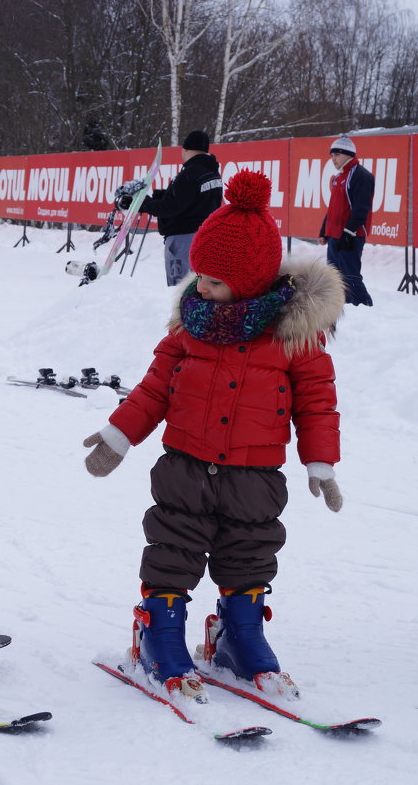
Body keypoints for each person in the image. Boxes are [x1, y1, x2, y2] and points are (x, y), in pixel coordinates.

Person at [82, 170, 345, 702]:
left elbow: (318, 404)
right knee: (172, 548)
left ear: (249, 281)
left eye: (214, 280)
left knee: (250, 551)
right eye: (199, 274)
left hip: (256, 474)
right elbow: (155, 388)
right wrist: (118, 434)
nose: (199, 286)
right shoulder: (190, 325)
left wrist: (321, 463)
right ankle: (157, 632)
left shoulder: (294, 337)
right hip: (185, 466)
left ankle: (238, 634)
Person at [120, 130, 223, 286]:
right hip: (204, 236)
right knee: (198, 286)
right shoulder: (212, 173)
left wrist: (145, 204)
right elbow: (190, 200)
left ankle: (180, 310)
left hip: (183, 239)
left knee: (179, 287)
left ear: (186, 149)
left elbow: (171, 207)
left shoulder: (189, 174)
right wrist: (160, 195)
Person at [319, 135, 374, 306]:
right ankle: (342, 307)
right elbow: (333, 208)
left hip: (351, 235)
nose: (333, 159)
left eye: (336, 154)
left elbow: (360, 209)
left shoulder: (361, 175)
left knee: (350, 276)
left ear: (348, 154)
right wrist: (324, 231)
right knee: (334, 277)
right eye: (331, 155)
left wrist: (348, 233)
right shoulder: (338, 177)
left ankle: (364, 306)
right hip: (335, 235)